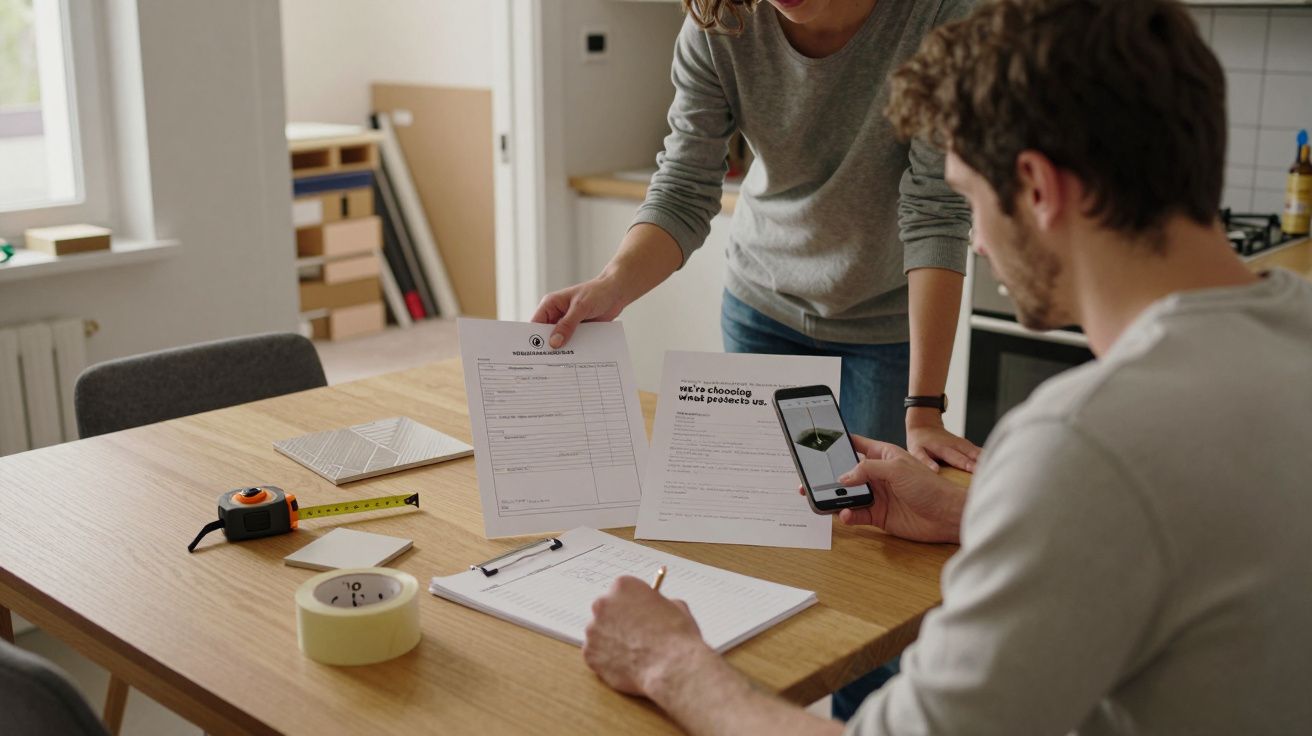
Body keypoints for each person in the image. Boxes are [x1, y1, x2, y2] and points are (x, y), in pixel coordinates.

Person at [579, 0, 1312, 733]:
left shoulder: (1082, 446)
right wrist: (972, 512)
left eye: (969, 195)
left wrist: (668, 661)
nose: (980, 245)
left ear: (1036, 188)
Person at [532, 0, 983, 474]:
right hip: (760, 310)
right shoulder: (718, 18)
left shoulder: (939, 15)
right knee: (763, 514)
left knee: (864, 525)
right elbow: (684, 187)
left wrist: (925, 409)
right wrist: (612, 284)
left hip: (883, 325)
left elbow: (935, 210)